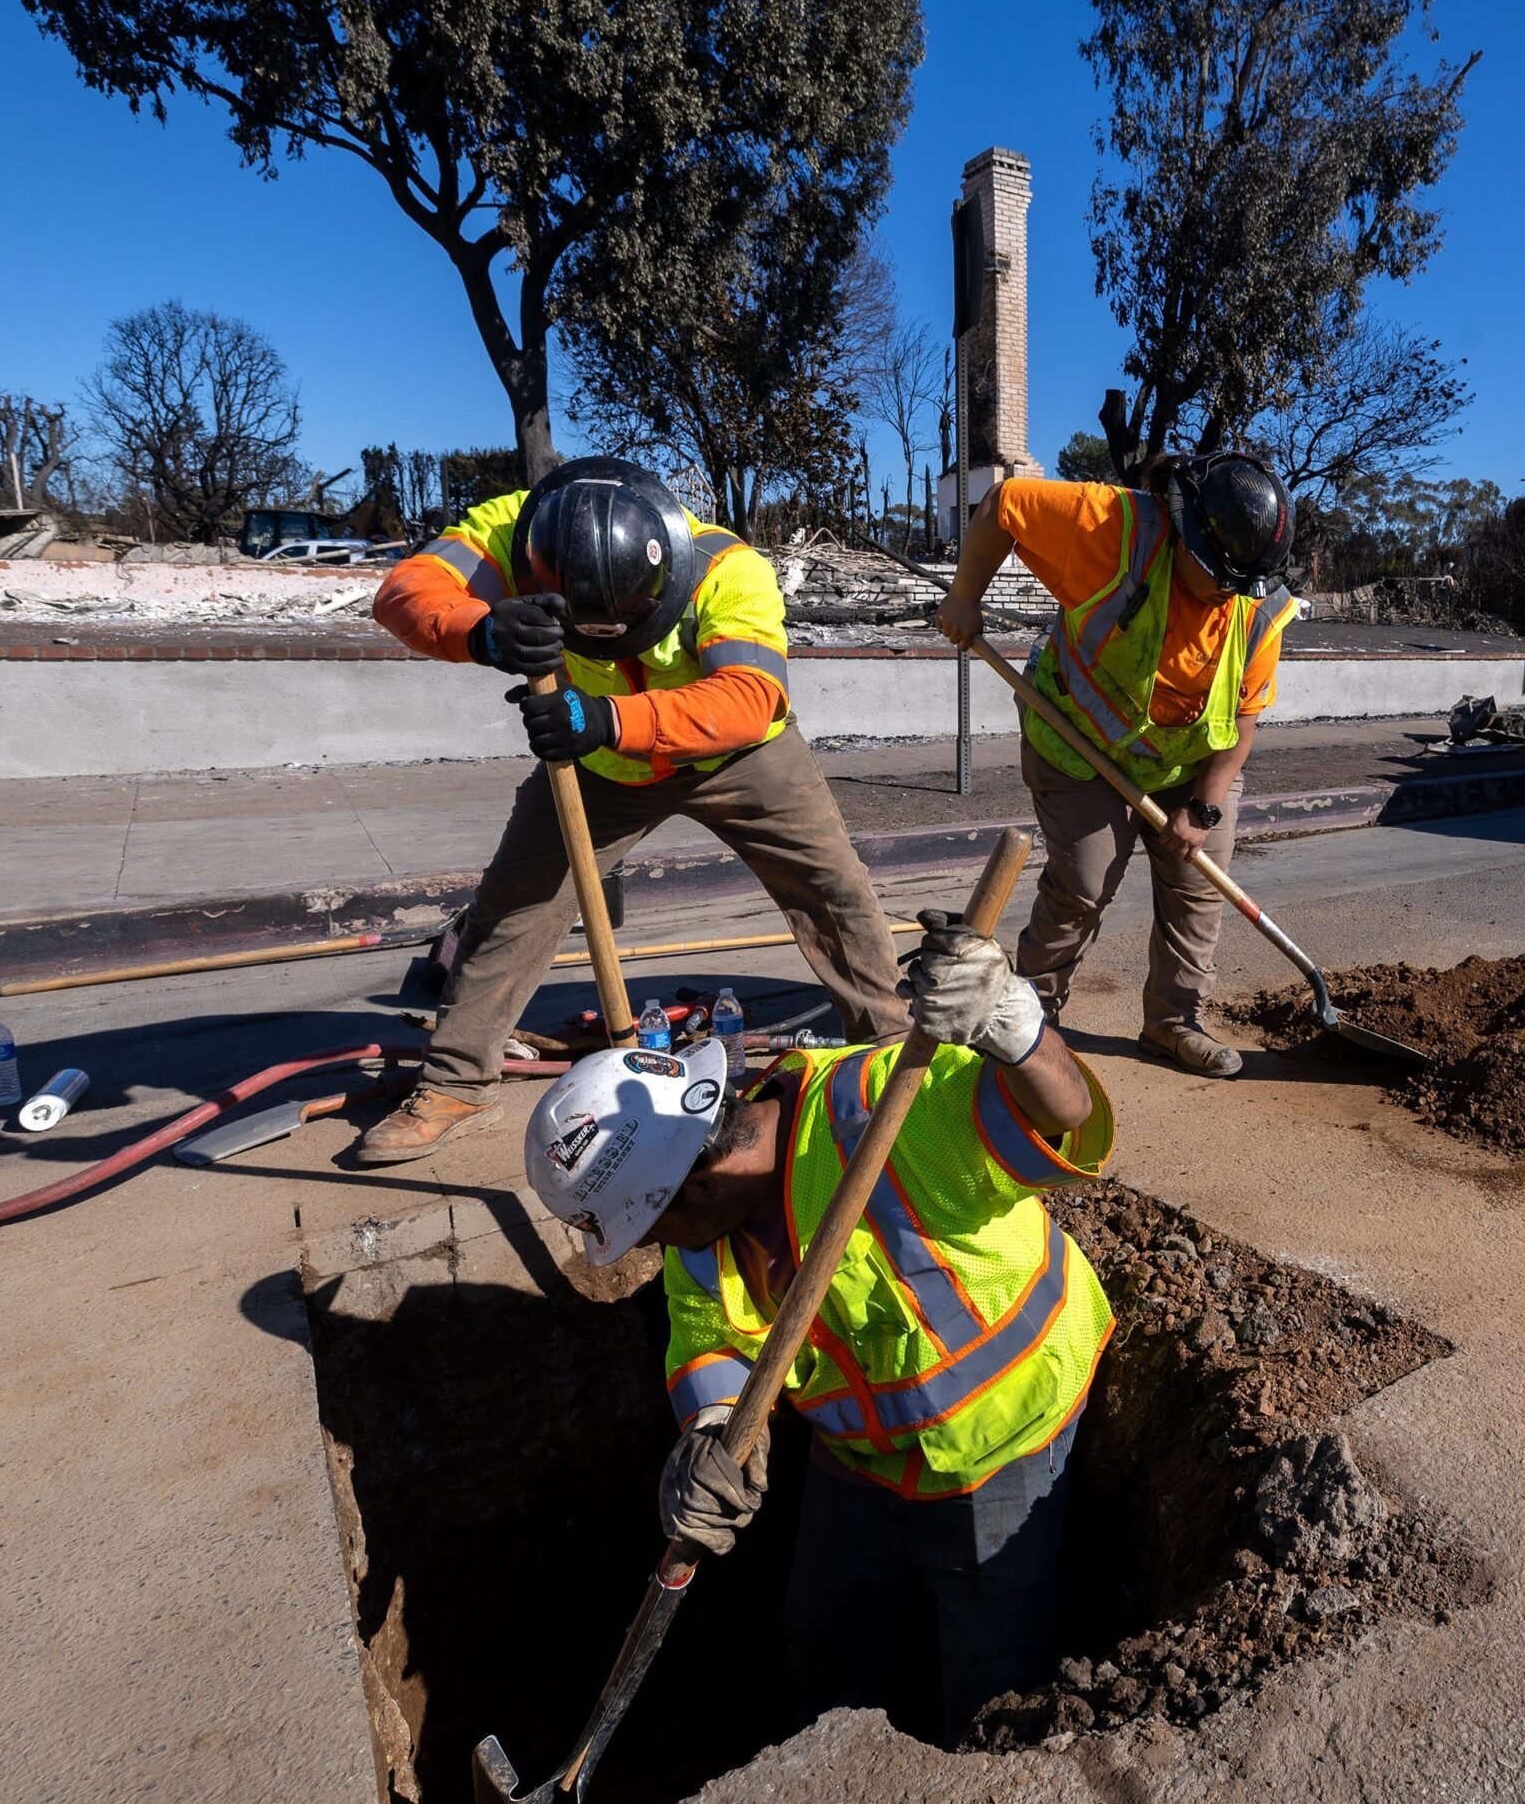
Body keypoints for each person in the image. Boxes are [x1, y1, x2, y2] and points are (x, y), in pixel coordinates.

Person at [523, 911, 1113, 1745]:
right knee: (828, 1638)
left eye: (644, 1231)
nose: (649, 1251)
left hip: (1000, 1437)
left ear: (690, 1188)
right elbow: (710, 1335)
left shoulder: (881, 1106)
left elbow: (1064, 1110)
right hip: (859, 1454)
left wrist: (1015, 1028)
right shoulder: (700, 1233)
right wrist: (712, 1429)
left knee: (990, 1677)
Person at [360, 456, 908, 1163]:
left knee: (834, 892)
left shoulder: (726, 567)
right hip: (599, 766)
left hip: (736, 756)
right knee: (514, 908)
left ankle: (893, 1052)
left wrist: (608, 718)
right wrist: (483, 630)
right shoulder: (513, 534)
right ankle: (455, 1081)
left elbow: (750, 696)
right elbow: (406, 591)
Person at [934, 452, 1297, 1077]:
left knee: (1197, 893)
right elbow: (1000, 505)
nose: (1226, 593)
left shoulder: (1257, 608)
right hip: (1076, 743)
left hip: (1189, 766)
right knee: (1082, 888)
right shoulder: (1114, 529)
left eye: (1239, 584)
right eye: (1217, 576)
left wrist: (1204, 806)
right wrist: (966, 598)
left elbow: (1243, 719)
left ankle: (1173, 1023)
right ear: (1185, 533)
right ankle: (1030, 1025)